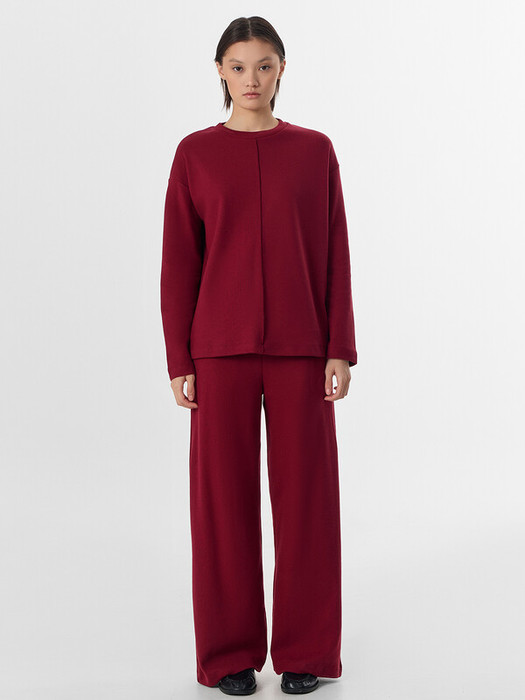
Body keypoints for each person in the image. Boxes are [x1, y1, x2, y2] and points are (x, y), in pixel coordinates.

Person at [160, 15, 358, 696]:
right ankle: (228, 656)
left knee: (308, 504)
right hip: (218, 353)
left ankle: (307, 652)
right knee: (222, 509)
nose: (252, 79)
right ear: (220, 71)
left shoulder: (314, 151)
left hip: (303, 351)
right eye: (239, 66)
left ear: (281, 70)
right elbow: (178, 264)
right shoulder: (194, 154)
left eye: (264, 65)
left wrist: (339, 347)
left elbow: (335, 254)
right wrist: (179, 358)